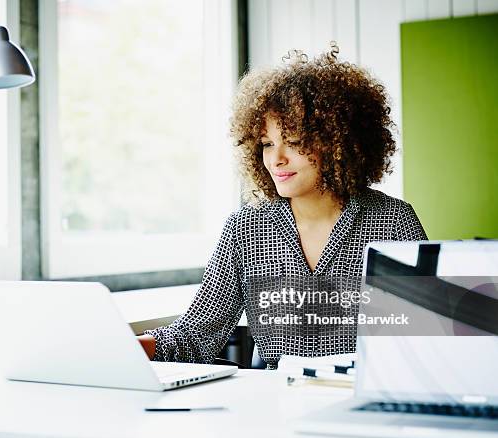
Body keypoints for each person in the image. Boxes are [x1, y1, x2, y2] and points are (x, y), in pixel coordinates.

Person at [138, 46, 427, 369]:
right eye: (267, 144)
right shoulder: (245, 228)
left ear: (338, 142)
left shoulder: (393, 221)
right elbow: (195, 335)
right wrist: (123, 346)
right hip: (276, 407)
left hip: (367, 399)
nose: (276, 159)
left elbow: (424, 336)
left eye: (294, 141)